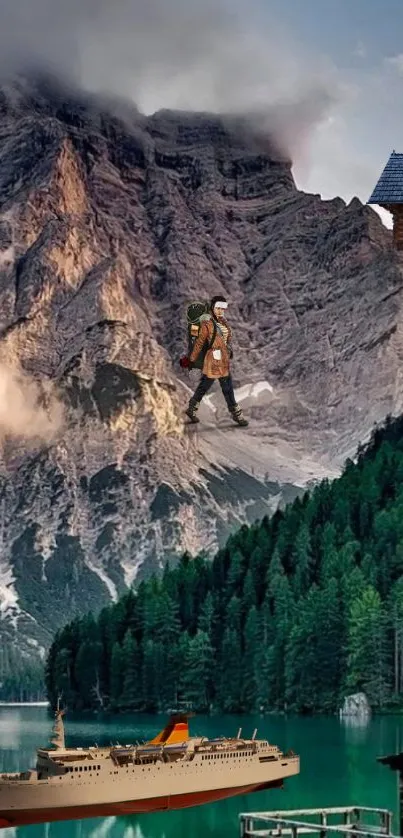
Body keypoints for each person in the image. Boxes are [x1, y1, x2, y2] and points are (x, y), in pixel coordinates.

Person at [180, 296, 248, 427]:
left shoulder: (222, 322)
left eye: (223, 308)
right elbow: (199, 342)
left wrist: (228, 350)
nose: (221, 311)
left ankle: (191, 409)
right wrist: (191, 359)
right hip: (214, 360)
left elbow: (225, 340)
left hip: (222, 360)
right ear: (212, 307)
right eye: (218, 308)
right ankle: (236, 415)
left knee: (206, 386)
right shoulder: (207, 324)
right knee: (226, 388)